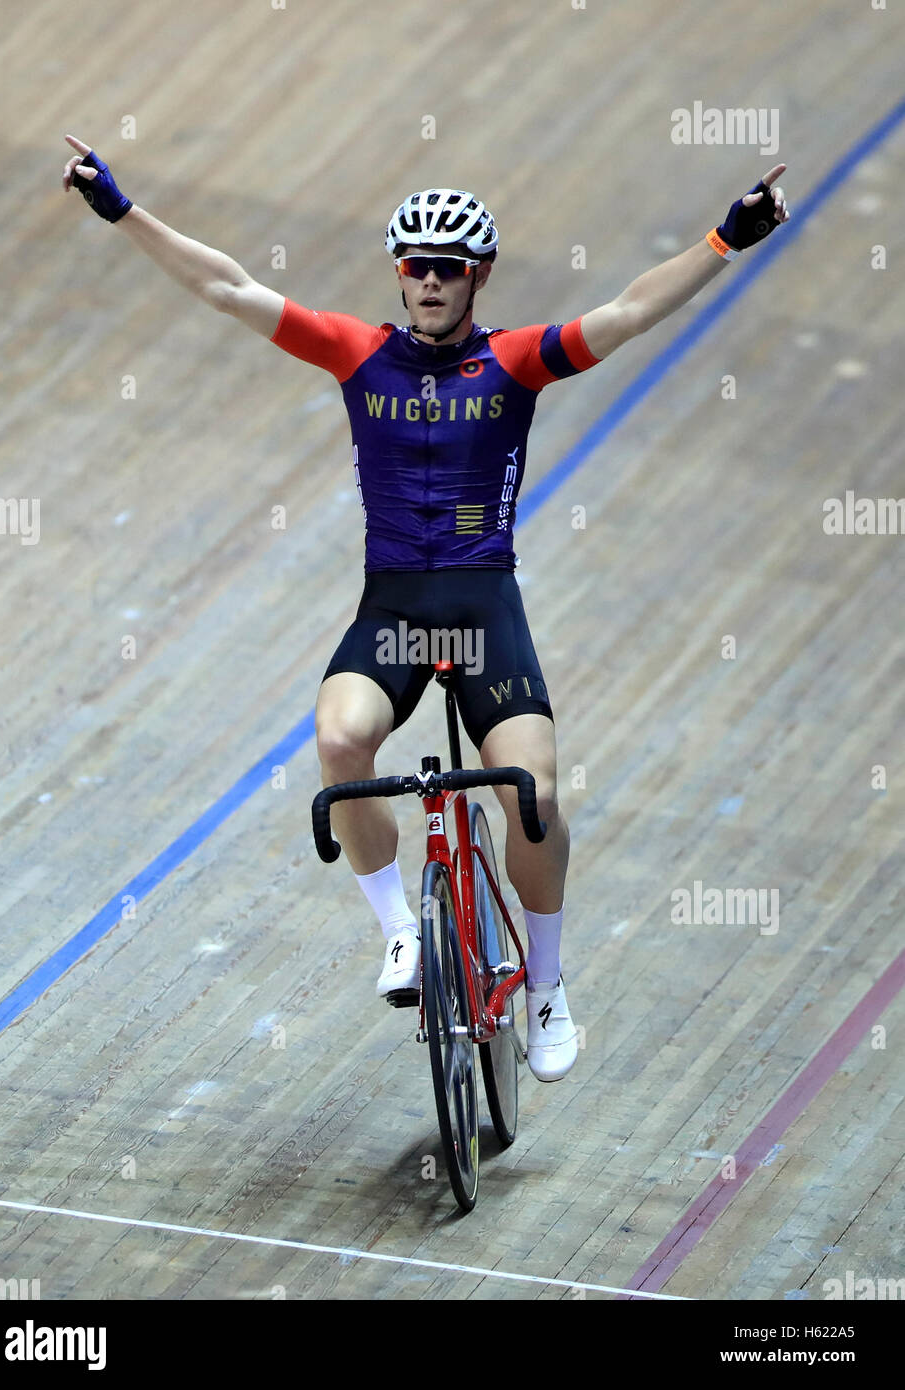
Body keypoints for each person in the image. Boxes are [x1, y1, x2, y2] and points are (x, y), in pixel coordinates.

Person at [62, 135, 789, 1082]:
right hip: (395, 610)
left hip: (485, 607)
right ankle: (402, 933)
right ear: (400, 277)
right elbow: (231, 289)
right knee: (338, 743)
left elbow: (628, 311)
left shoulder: (518, 361)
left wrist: (724, 239)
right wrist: (124, 213)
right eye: (417, 267)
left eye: (449, 268)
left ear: (477, 275)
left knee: (534, 800)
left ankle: (550, 987)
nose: (432, 282)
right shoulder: (358, 353)